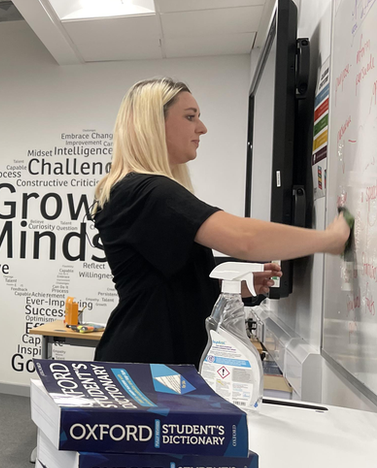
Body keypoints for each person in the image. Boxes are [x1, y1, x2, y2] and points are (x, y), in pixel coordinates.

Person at [91, 77, 350, 366]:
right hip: (145, 368)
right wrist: (330, 239)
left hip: (152, 363)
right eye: (190, 117)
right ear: (152, 124)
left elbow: (165, 282)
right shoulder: (147, 192)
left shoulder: (135, 191)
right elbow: (245, 239)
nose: (201, 128)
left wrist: (231, 284)